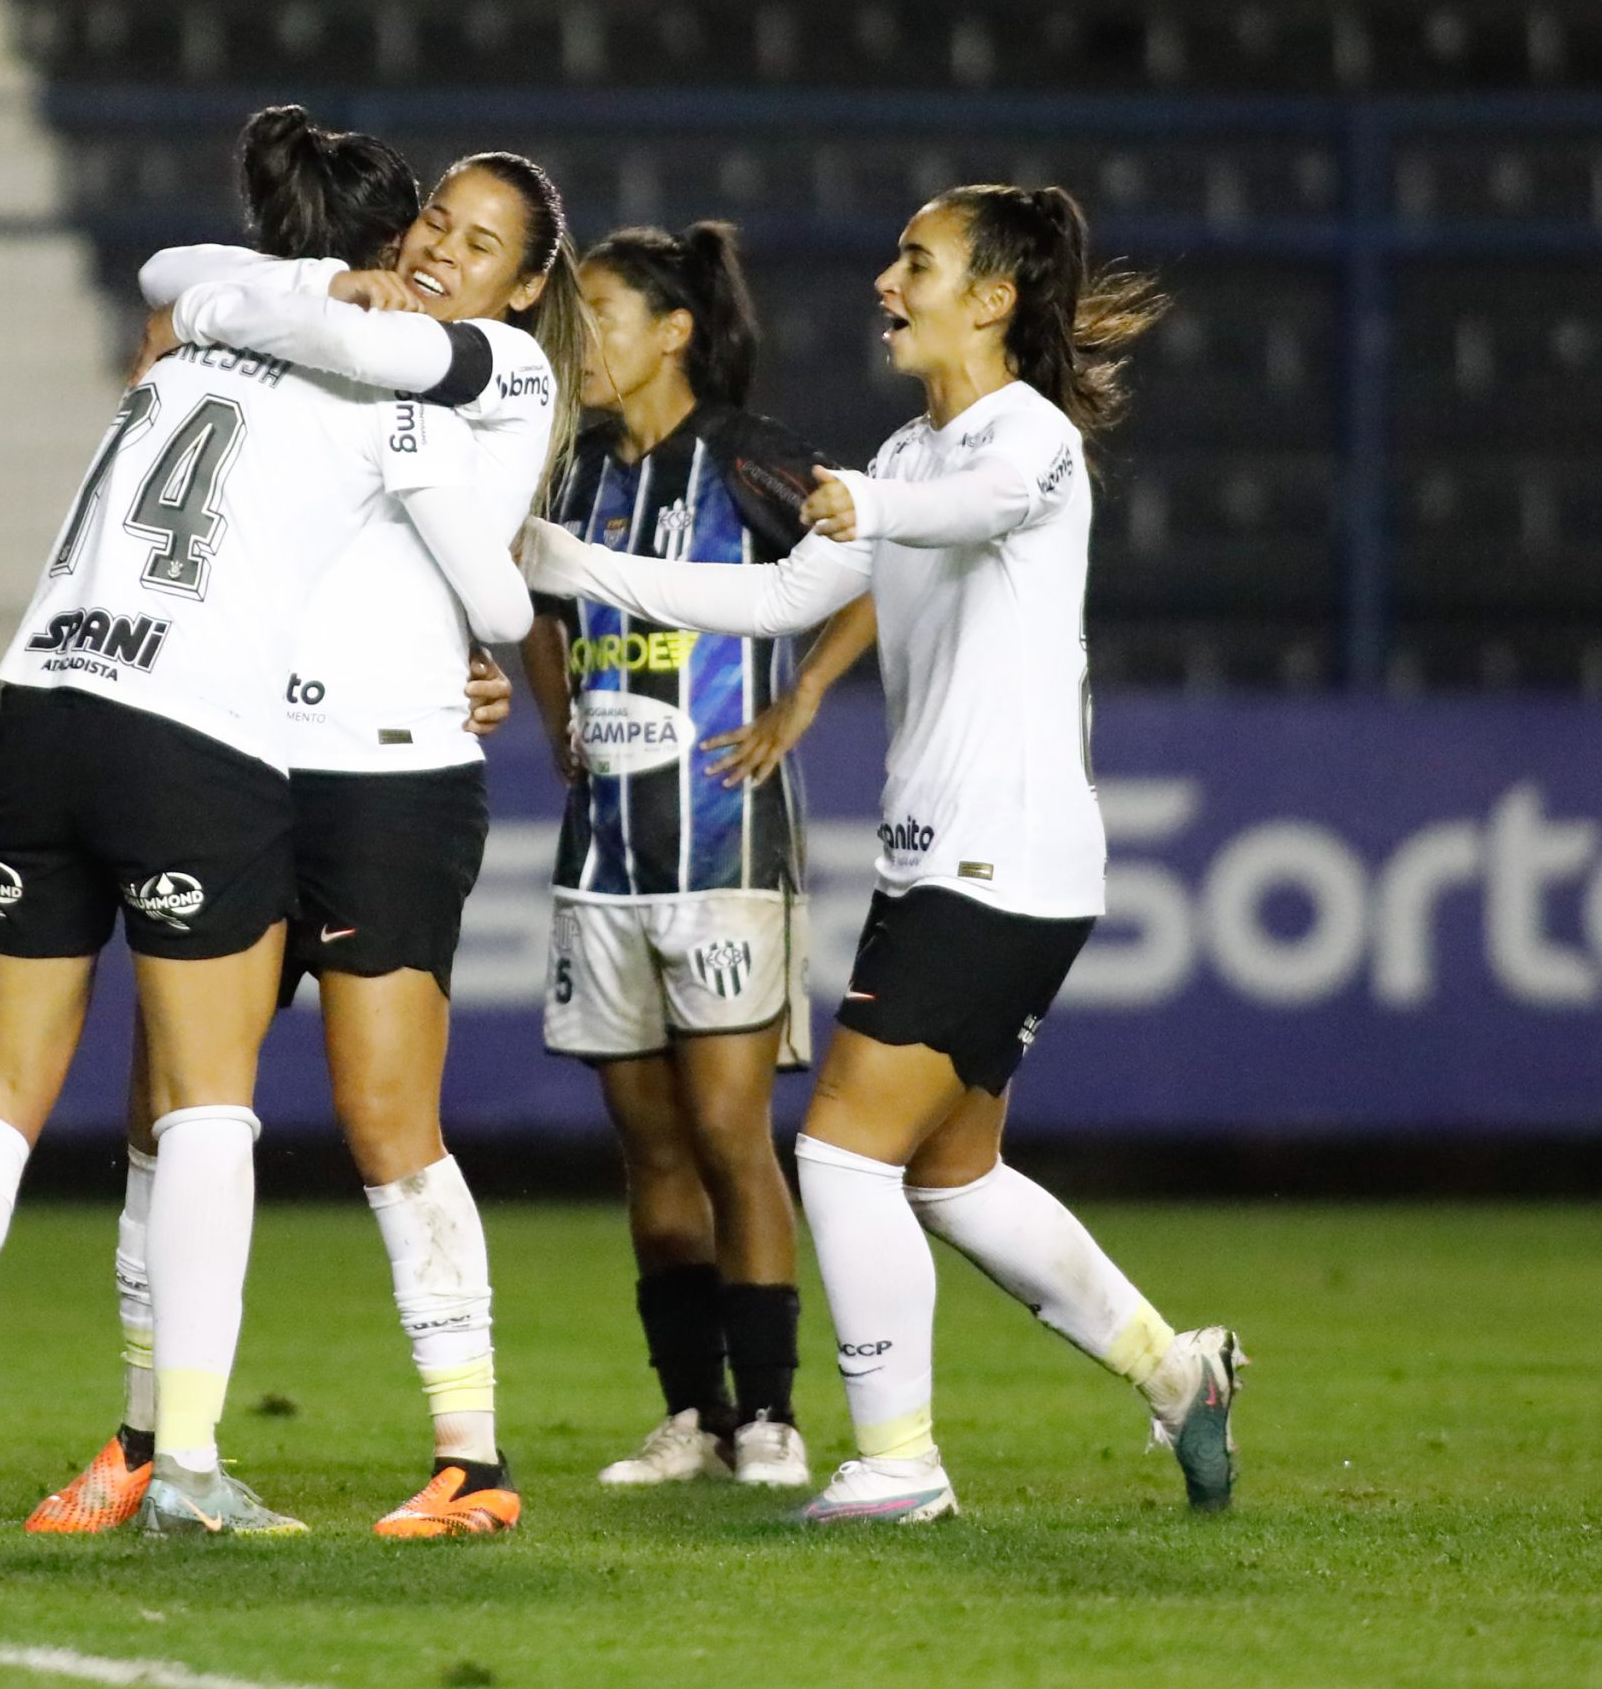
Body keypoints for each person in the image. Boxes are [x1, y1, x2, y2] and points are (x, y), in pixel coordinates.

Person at [521, 184, 1246, 1524]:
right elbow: (776, 594)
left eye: (916, 260)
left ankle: (899, 1459)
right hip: (947, 865)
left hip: (998, 863)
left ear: (993, 297)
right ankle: (1174, 1366)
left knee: (842, 1152)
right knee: (952, 1172)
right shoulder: (910, 455)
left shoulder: (1025, 442)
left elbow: (973, 504)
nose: (884, 281)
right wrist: (571, 559)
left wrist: (854, 498)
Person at [0, 108, 539, 1540]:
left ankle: (466, 1448)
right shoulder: (303, 332)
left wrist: (245, 299)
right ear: (385, 233)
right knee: (175, 1108)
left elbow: (487, 573)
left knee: (374, 1113)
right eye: (431, 228)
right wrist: (271, 293)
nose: (441, 251)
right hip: (218, 742)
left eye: (479, 242)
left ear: (527, 285)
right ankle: (158, 1441)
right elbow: (221, 287)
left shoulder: (482, 366)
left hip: (362, 767)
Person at [516, 221, 876, 1490]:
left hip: (725, 850)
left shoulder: (748, 462)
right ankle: (695, 1414)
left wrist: (803, 697)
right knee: (650, 1149)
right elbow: (538, 614)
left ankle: (772, 1412)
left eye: (601, 313)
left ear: (673, 331)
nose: (583, 340)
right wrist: (556, 715)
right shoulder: (568, 473)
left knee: (729, 1133)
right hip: (603, 858)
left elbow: (870, 559)